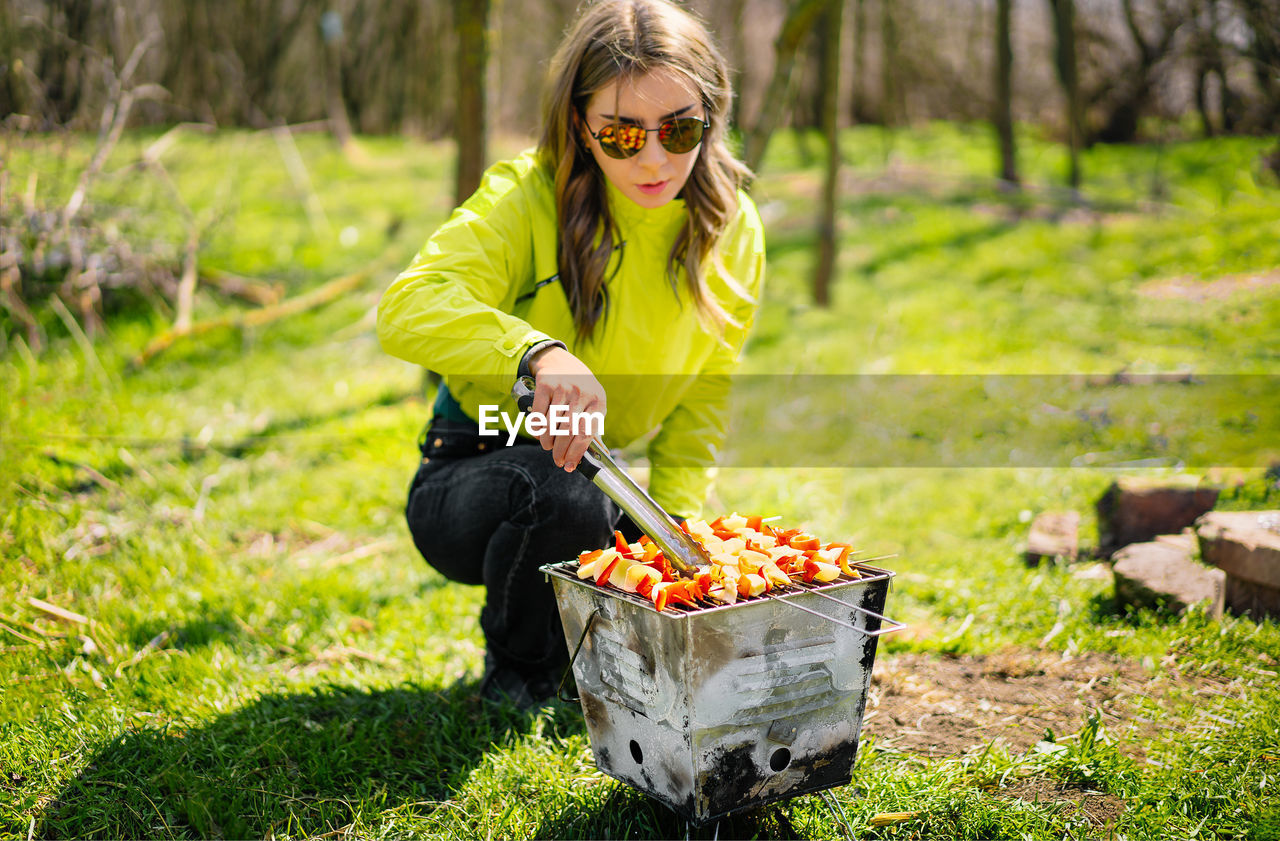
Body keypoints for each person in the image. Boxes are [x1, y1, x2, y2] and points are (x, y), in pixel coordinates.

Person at [376, 0, 765, 710]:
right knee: (562, 489)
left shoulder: (730, 226)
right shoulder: (526, 195)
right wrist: (533, 353)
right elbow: (406, 307)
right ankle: (519, 675)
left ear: (712, 117)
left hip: (607, 481)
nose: (655, 158)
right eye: (621, 133)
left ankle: (595, 657)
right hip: (474, 473)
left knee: (627, 521)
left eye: (680, 129)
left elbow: (707, 388)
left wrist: (670, 536)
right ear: (581, 126)